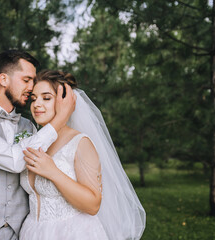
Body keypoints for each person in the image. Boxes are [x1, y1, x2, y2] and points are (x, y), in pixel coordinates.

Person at [0, 50, 76, 240]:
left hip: (18, 232)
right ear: (3, 79)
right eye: (26, 80)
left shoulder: (30, 127)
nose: (31, 87)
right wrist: (60, 119)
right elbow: (16, 161)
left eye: (33, 81)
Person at [19, 70, 146, 240]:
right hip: (32, 232)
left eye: (46, 98)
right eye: (33, 98)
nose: (36, 104)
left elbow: (93, 205)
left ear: (65, 102)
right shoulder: (35, 142)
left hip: (72, 232)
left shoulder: (80, 143)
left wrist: (53, 172)